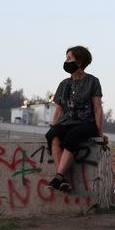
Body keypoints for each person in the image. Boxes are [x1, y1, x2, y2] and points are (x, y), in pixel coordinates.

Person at [45, 45, 106, 192]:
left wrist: (100, 133)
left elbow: (97, 108)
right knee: (53, 136)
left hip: (86, 123)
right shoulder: (64, 84)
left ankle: (58, 177)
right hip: (67, 122)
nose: (66, 61)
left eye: (69, 58)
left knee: (73, 137)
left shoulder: (93, 81)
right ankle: (63, 180)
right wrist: (54, 126)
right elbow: (59, 109)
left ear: (79, 62)